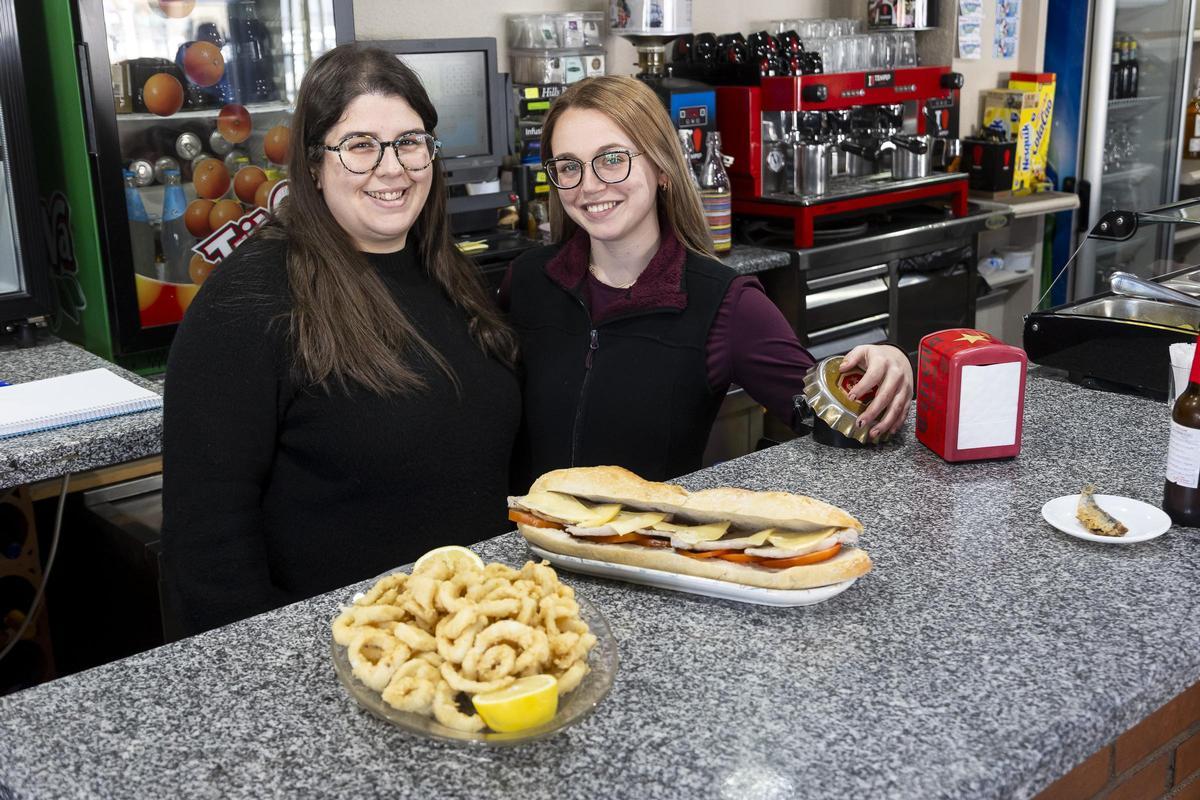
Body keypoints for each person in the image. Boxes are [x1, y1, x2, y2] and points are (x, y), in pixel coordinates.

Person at [161, 45, 521, 635]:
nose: (393, 168)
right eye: (359, 147)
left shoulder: (449, 273)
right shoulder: (248, 303)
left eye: (410, 142)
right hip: (341, 659)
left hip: (469, 639)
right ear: (311, 165)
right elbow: (207, 548)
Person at [502, 76, 912, 484]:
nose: (589, 186)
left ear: (662, 167)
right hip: (523, 544)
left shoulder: (723, 302)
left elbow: (835, 421)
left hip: (644, 545)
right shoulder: (527, 281)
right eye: (569, 166)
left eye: (612, 159)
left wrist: (887, 370)